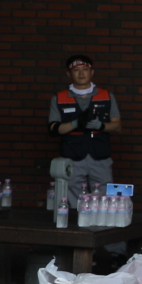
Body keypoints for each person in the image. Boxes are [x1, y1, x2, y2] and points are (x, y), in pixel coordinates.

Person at [48, 52, 121, 207]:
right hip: (72, 155)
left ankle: (101, 222)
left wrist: (101, 126)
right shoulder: (59, 97)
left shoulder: (106, 95)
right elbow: (53, 129)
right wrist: (75, 124)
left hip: (99, 155)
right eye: (76, 70)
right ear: (68, 74)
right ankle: (76, 222)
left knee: (104, 197)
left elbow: (117, 126)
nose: (81, 73)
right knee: (71, 196)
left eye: (85, 69)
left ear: (92, 72)